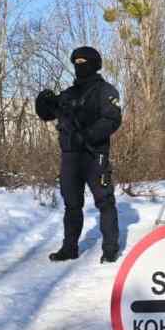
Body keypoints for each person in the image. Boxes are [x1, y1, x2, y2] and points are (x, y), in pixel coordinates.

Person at [35, 46, 123, 264]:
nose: (79, 66)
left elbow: (112, 119)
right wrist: (43, 102)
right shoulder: (69, 94)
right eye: (76, 62)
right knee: (71, 204)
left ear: (94, 64)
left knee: (104, 201)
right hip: (71, 157)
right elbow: (48, 114)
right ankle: (69, 248)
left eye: (83, 62)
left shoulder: (106, 91)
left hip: (95, 155)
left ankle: (110, 249)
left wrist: (87, 136)